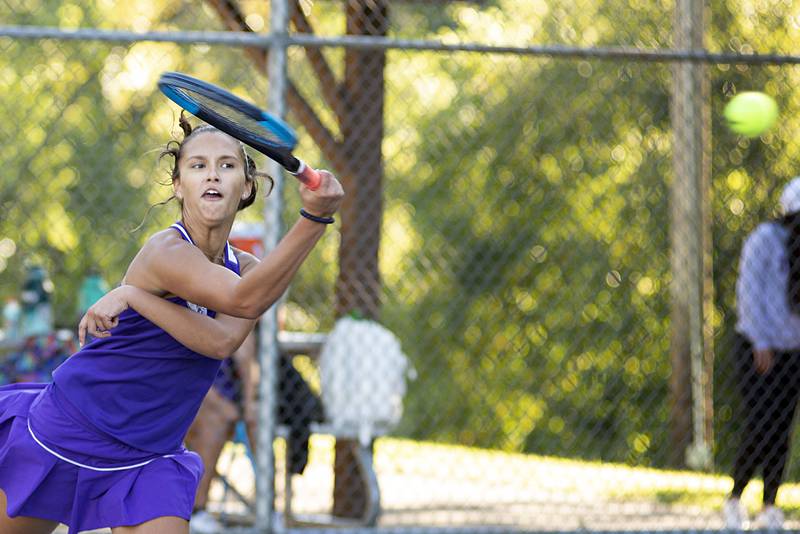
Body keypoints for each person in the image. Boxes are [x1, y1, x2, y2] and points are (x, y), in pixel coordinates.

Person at [0, 113, 343, 534]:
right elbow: (242, 299)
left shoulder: (248, 268)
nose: (212, 174)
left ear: (248, 186)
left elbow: (223, 340)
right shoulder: (166, 250)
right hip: (75, 425)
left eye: (227, 165)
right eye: (197, 166)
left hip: (149, 455)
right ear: (179, 185)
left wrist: (133, 297)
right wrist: (314, 220)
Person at [186, 326, 324, 533]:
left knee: (257, 421)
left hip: (230, 395)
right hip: (196, 396)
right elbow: (189, 377)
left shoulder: (240, 325)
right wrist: (222, 407)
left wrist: (249, 404)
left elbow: (249, 371)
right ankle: (198, 508)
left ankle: (268, 508)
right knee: (215, 421)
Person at [723, 177, 800, 530]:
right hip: (759, 349)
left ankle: (770, 504)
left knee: (782, 429)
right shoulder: (765, 241)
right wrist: (760, 341)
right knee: (760, 424)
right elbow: (749, 294)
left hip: (792, 351)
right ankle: (735, 498)